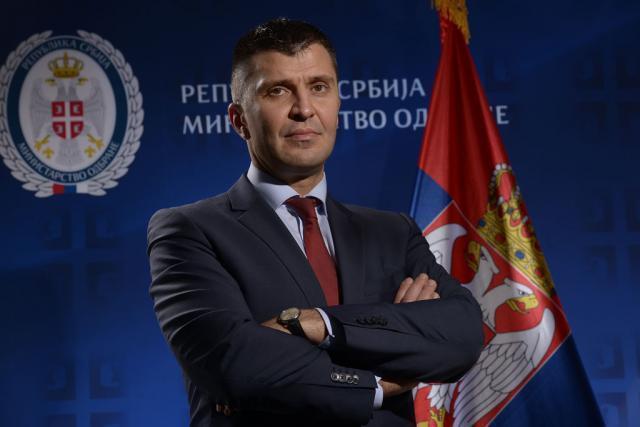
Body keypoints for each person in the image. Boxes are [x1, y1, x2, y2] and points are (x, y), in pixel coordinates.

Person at [147, 18, 483, 427]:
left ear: (338, 104)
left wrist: (318, 324)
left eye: (319, 87)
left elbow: (463, 336)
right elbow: (235, 364)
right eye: (277, 90)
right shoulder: (189, 231)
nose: (304, 109)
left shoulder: (393, 232)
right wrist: (381, 376)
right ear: (239, 120)